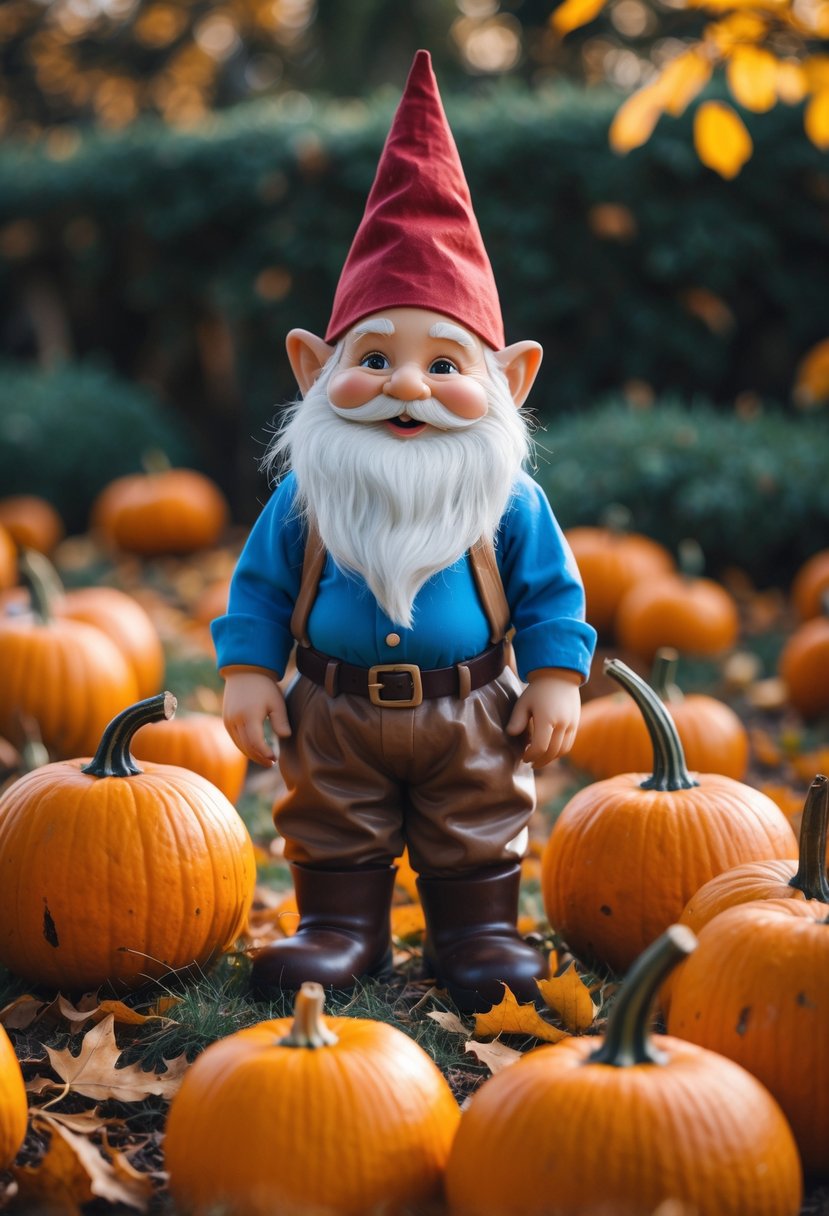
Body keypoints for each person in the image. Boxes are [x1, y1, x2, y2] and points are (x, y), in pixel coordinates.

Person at [212, 50, 596, 1011]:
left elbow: (551, 592)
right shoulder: (308, 494)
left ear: (508, 382)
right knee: (332, 820)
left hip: (469, 712)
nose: (409, 387)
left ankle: (478, 933)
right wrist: (250, 671)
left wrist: (552, 675)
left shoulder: (507, 501)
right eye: (374, 357)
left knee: (476, 817)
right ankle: (340, 927)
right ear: (313, 368)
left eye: (444, 363)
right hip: (331, 715)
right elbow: (259, 589)